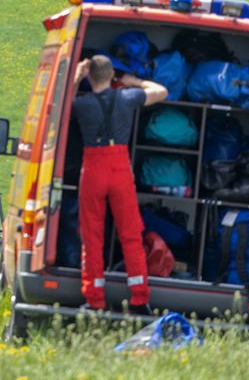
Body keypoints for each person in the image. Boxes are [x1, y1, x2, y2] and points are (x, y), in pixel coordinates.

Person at [71, 55, 168, 314]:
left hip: (93, 167)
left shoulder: (81, 104)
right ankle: (139, 298)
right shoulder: (127, 97)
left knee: (92, 235)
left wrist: (77, 77)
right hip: (120, 167)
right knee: (131, 233)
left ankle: (95, 299)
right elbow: (161, 91)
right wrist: (132, 80)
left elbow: (58, 105)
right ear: (112, 75)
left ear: (90, 76)